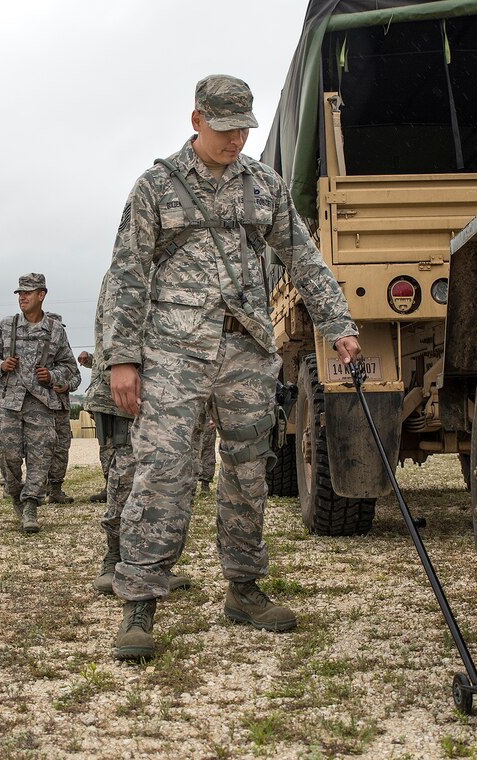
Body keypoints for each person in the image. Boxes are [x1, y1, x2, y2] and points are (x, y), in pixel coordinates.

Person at [104, 75, 361, 660]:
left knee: (248, 469)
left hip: (246, 350)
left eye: (243, 127)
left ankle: (243, 588)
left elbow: (302, 255)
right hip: (172, 352)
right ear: (196, 121)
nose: (235, 139)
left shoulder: (264, 185)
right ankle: (139, 604)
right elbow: (127, 274)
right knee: (163, 469)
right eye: (223, 128)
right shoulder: (155, 188)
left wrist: (337, 324)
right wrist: (122, 358)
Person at [84, 272, 194, 595]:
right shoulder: (126, 272)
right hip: (121, 394)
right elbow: (114, 331)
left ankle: (152, 566)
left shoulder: (172, 268)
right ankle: (114, 560)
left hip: (158, 391)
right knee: (123, 479)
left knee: (160, 480)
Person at [0, 273, 80, 533]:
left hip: (41, 403)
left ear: (42, 295)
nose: (22, 297)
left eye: (28, 292)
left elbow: (69, 367)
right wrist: (0, 365)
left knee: (41, 458)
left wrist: (52, 376)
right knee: (9, 455)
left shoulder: (55, 329)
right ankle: (15, 494)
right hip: (10, 403)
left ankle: (30, 506)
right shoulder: (7, 326)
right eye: (19, 293)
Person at [44, 313, 81, 505]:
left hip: (61, 408)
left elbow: (77, 376)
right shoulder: (37, 353)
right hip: (41, 407)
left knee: (61, 448)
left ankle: (56, 488)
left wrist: (67, 387)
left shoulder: (66, 352)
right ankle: (38, 488)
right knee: (40, 448)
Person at [78, 349, 112, 504]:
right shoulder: (105, 333)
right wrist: (89, 358)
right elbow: (101, 362)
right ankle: (110, 486)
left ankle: (122, 486)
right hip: (102, 400)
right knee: (106, 444)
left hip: (122, 397)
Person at [196, 414, 217, 494]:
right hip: (189, 413)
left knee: (207, 449)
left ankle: (205, 484)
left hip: (207, 416)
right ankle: (187, 485)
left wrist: (213, 417)